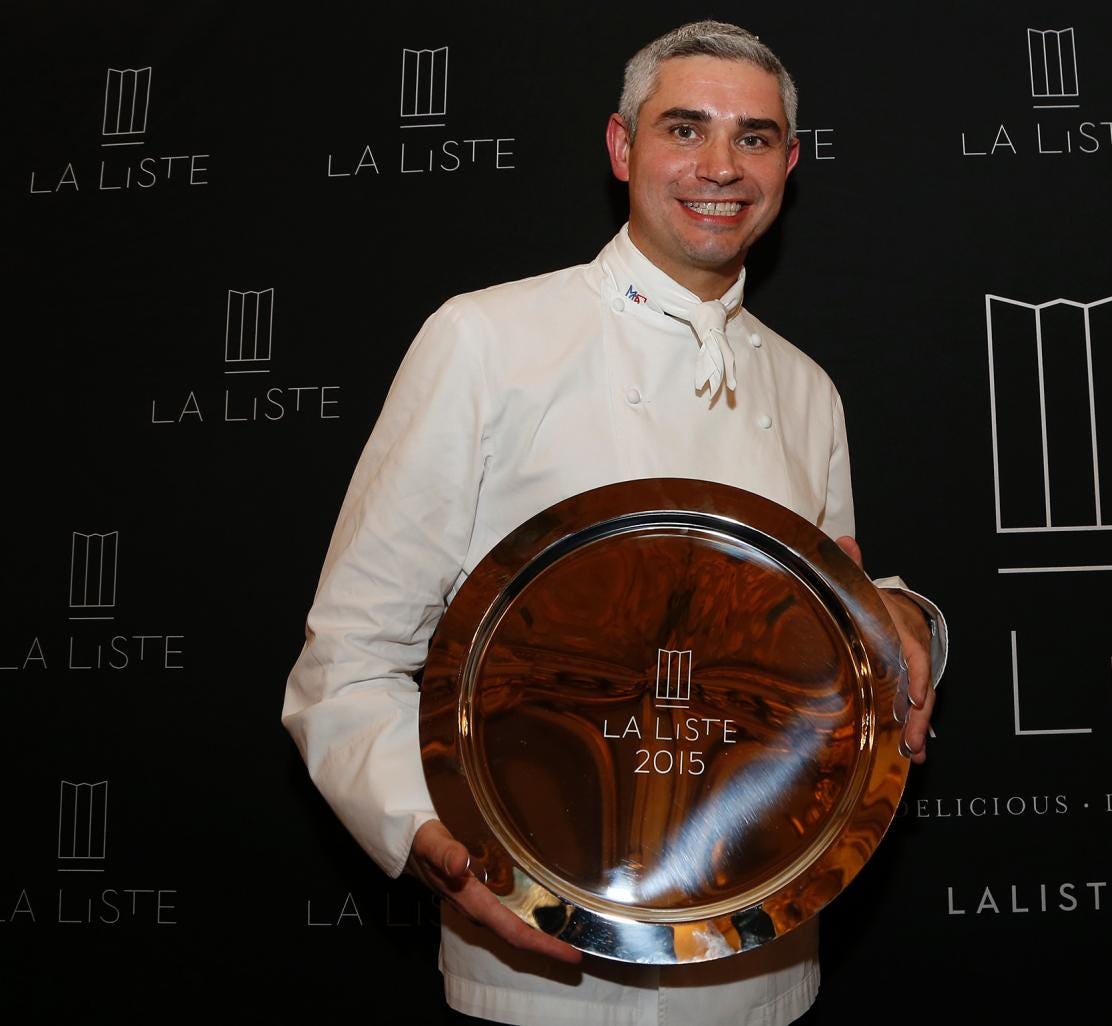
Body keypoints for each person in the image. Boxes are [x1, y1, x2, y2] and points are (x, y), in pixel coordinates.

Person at [283, 20, 947, 1026]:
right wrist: (434, 842)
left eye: (755, 137)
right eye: (685, 128)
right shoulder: (485, 339)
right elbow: (348, 658)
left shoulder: (807, 389)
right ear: (622, 147)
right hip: (541, 968)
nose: (720, 165)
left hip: (760, 970)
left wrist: (900, 619)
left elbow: (813, 642)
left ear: (790, 164)